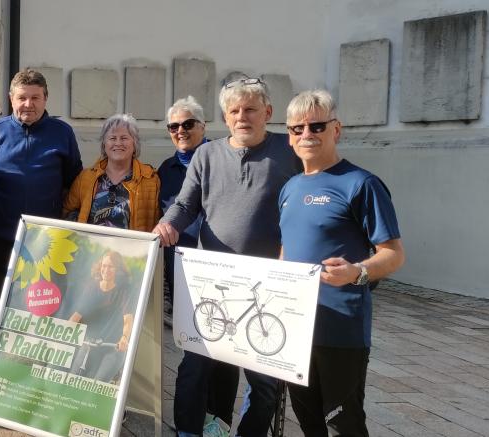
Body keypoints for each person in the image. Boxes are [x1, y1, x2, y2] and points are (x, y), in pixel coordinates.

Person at [153, 76, 301, 437]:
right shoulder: (206, 154)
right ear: (224, 115)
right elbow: (186, 203)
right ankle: (188, 432)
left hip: (268, 284)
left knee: (264, 381)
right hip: (214, 281)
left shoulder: (289, 152)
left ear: (267, 112)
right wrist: (167, 224)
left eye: (250, 109)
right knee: (194, 367)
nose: (242, 117)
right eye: (234, 111)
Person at [279, 90, 404, 436]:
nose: (307, 135)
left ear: (336, 130)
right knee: (309, 424)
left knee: (343, 426)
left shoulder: (361, 184)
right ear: (289, 138)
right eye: (297, 129)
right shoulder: (289, 188)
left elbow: (394, 253)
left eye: (316, 126)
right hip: (294, 328)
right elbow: (287, 249)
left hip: (341, 330)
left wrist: (357, 272)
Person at [0, 68, 82, 330]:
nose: (29, 104)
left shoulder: (62, 133)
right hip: (1, 238)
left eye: (35, 98)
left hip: (47, 242)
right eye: (22, 98)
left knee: (43, 309)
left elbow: (75, 183)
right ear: (11, 99)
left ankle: (36, 367)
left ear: (45, 98)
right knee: (0, 307)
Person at [64, 113, 160, 232]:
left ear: (134, 144)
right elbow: (66, 212)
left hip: (133, 250)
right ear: (104, 144)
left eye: (124, 138)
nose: (118, 143)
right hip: (92, 248)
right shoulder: (86, 177)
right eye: (112, 138)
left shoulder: (150, 179)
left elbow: (159, 221)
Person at [158, 96, 208, 326]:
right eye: (174, 126)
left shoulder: (220, 159)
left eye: (188, 124)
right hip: (179, 263)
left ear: (202, 126)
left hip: (214, 259)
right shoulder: (166, 169)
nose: (181, 131)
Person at [68, 250, 134, 383]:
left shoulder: (124, 290)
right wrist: (63, 330)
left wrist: (124, 338)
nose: (106, 269)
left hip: (112, 347)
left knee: (98, 385)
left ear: (118, 270)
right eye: (104, 265)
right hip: (89, 342)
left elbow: (128, 319)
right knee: (72, 379)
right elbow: (77, 315)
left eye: (110, 266)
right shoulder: (92, 286)